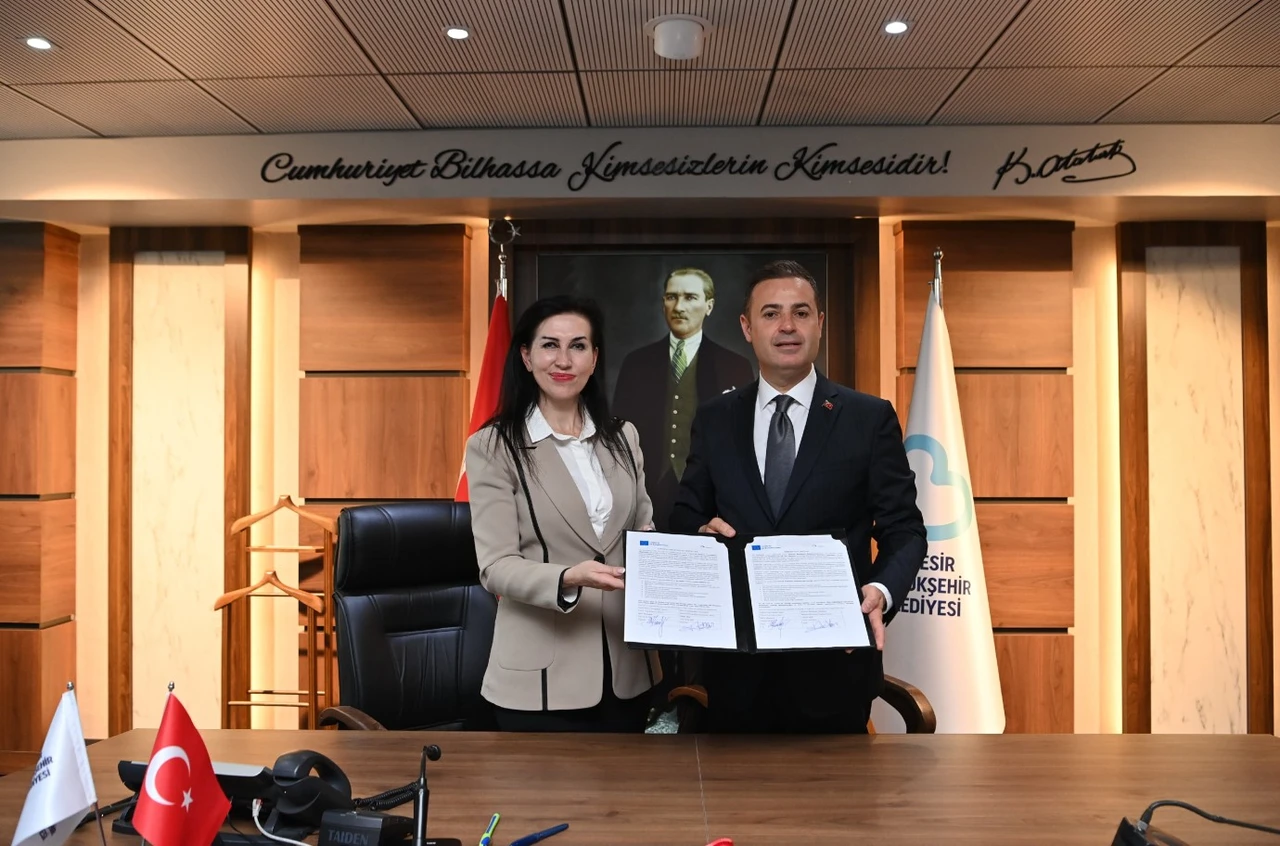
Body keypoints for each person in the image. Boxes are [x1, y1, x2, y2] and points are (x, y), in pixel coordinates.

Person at [670, 259, 927, 734]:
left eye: (801, 312)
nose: (787, 326)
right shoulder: (716, 418)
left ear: (819, 323)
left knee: (835, 786)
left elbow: (905, 529)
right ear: (747, 327)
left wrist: (881, 591)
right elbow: (686, 514)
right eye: (771, 313)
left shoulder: (867, 418)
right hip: (735, 674)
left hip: (834, 672)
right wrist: (700, 531)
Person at [465, 294, 662, 732]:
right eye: (549, 345)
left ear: (594, 358)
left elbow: (643, 529)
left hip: (628, 672)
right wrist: (569, 577)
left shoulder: (623, 437)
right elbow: (495, 567)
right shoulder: (493, 447)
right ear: (526, 356)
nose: (564, 360)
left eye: (578, 346)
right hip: (539, 681)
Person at [612, 267, 755, 532]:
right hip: (646, 496)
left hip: (710, 506)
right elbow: (616, 439)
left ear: (709, 306)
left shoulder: (734, 365)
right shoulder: (636, 363)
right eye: (671, 297)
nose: (679, 307)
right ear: (662, 303)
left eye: (690, 297)